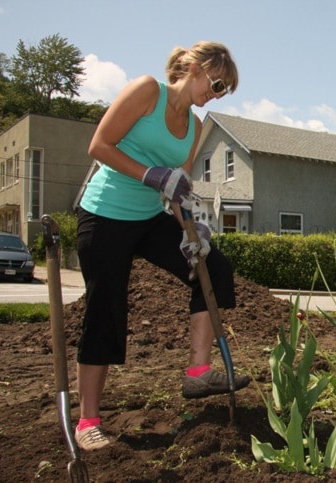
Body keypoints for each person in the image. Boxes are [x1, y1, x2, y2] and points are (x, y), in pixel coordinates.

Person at [74, 41, 249, 451]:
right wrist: (151, 174)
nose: (217, 93)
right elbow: (99, 145)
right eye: (217, 83)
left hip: (149, 217)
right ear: (195, 67)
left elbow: (178, 190)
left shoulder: (195, 126)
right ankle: (88, 421)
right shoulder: (147, 90)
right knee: (107, 307)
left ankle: (198, 372)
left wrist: (193, 231)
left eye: (224, 91)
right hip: (105, 213)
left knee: (212, 267)